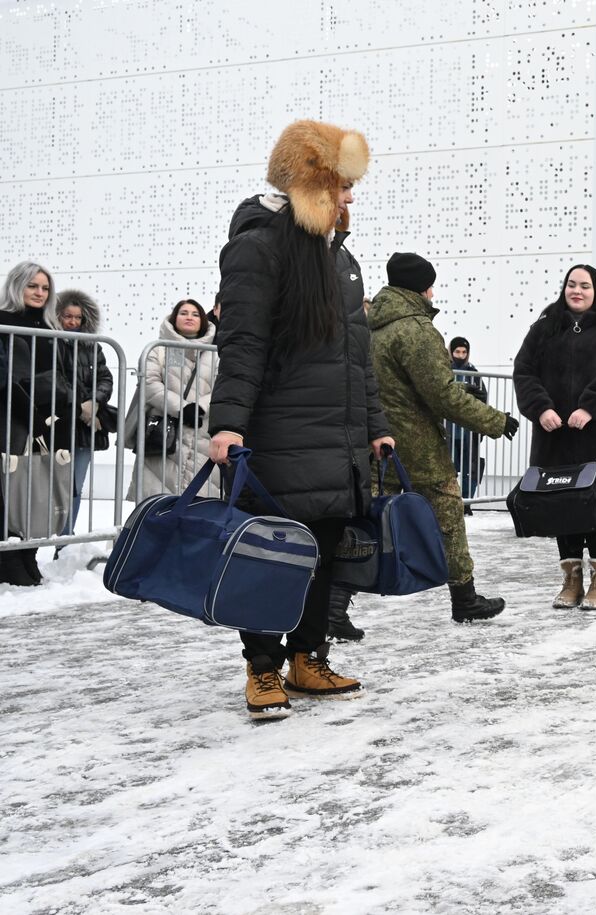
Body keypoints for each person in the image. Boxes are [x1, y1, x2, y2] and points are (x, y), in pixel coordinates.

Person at [208, 119, 391, 719]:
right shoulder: (256, 249)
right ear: (311, 184)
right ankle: (262, 667)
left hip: (336, 441)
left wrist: (375, 423)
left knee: (324, 556)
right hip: (280, 436)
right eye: (341, 186)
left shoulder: (340, 259)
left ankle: (307, 658)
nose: (350, 198)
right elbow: (242, 345)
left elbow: (357, 355)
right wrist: (228, 424)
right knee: (270, 555)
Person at [368, 251, 519, 627]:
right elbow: (443, 393)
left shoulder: (371, 327)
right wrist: (495, 421)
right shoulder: (415, 329)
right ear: (423, 286)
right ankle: (464, 598)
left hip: (375, 441)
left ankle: (336, 606)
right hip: (417, 447)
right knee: (449, 513)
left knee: (366, 520)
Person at [513, 264, 596, 610]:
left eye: (584, 285)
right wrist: (541, 408)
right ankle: (571, 579)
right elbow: (524, 371)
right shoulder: (544, 328)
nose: (577, 291)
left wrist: (589, 407)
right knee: (561, 506)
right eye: (571, 284)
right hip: (555, 436)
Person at [0, 261, 59, 585]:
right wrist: (34, 417)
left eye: (45, 287)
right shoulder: (3, 322)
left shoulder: (50, 328)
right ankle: (8, 561)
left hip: (43, 420)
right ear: (17, 286)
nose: (39, 292)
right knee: (8, 490)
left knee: (34, 492)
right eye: (32, 286)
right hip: (11, 416)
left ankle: (27, 556)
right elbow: (6, 377)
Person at [125, 299, 218, 502]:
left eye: (195, 314)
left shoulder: (217, 354)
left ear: (202, 320)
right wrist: (183, 408)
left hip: (201, 435)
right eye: (183, 312)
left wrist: (200, 407)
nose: (189, 317)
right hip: (165, 436)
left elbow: (223, 386)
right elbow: (149, 384)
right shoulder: (158, 349)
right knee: (156, 503)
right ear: (174, 317)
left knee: (199, 504)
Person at [52, 290, 117, 538]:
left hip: (84, 429)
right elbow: (54, 381)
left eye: (77, 318)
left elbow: (105, 378)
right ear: (57, 316)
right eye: (67, 316)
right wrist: (79, 406)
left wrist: (95, 402)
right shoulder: (50, 343)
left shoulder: (92, 346)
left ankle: (65, 541)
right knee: (50, 486)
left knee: (75, 488)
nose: (72, 322)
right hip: (56, 426)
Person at [447, 335, 488, 503]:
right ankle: (451, 502)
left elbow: (483, 399)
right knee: (448, 468)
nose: (461, 355)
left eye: (464, 352)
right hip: (448, 429)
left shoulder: (473, 374)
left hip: (468, 432)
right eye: (457, 351)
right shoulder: (445, 371)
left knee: (469, 469)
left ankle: (467, 502)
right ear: (451, 352)